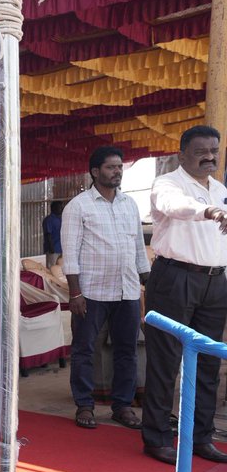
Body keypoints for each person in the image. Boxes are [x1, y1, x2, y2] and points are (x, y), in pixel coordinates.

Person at [140, 126, 227, 464]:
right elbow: (175, 206)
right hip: (175, 278)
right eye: (201, 151)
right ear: (182, 154)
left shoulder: (220, 189)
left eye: (214, 150)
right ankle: (157, 437)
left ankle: (200, 437)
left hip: (215, 283)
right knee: (165, 360)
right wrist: (209, 211)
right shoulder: (167, 184)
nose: (210, 156)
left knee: (208, 362)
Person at [62, 146, 148, 431]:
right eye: (111, 167)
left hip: (127, 290)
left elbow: (138, 248)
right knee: (84, 349)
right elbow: (70, 252)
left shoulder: (129, 204)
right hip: (92, 292)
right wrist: (75, 293)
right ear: (95, 172)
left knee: (127, 350)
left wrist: (146, 282)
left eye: (120, 167)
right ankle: (84, 405)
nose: (117, 172)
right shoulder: (79, 205)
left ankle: (122, 406)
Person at [43, 200, 64, 268]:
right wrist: (51, 248)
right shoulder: (49, 220)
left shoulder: (61, 219)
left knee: (60, 268)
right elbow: (48, 234)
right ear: (54, 208)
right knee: (52, 267)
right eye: (60, 207)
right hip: (53, 249)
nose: (62, 209)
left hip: (61, 248)